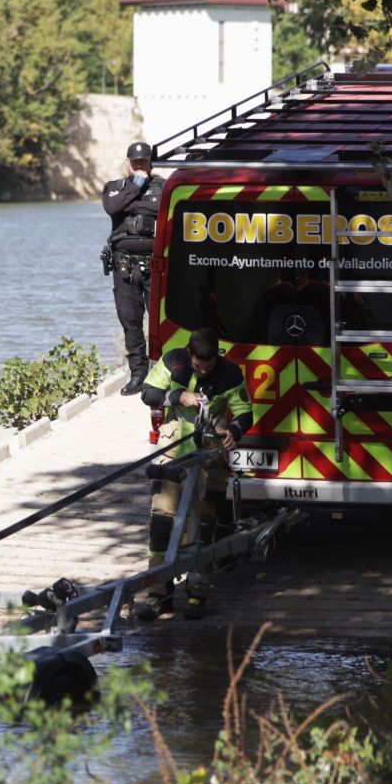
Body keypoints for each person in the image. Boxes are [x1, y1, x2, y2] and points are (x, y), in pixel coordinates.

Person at [136, 328, 251, 619]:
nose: (203, 372)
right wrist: (177, 396)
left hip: (210, 454)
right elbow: (147, 393)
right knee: (161, 522)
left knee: (203, 524)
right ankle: (159, 593)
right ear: (189, 354)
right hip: (173, 449)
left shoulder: (230, 374)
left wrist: (235, 430)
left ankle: (198, 590)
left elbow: (245, 413)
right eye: (198, 366)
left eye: (209, 367)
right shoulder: (173, 361)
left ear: (216, 358)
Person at [102, 140, 164, 395]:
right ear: (128, 162)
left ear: (150, 163)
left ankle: (161, 372)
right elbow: (112, 207)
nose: (140, 166)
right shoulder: (114, 187)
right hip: (124, 265)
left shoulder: (163, 187)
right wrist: (135, 187)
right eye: (135, 162)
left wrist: (129, 203)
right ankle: (138, 374)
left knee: (160, 321)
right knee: (130, 321)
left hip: (155, 265)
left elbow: (162, 208)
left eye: (144, 162)